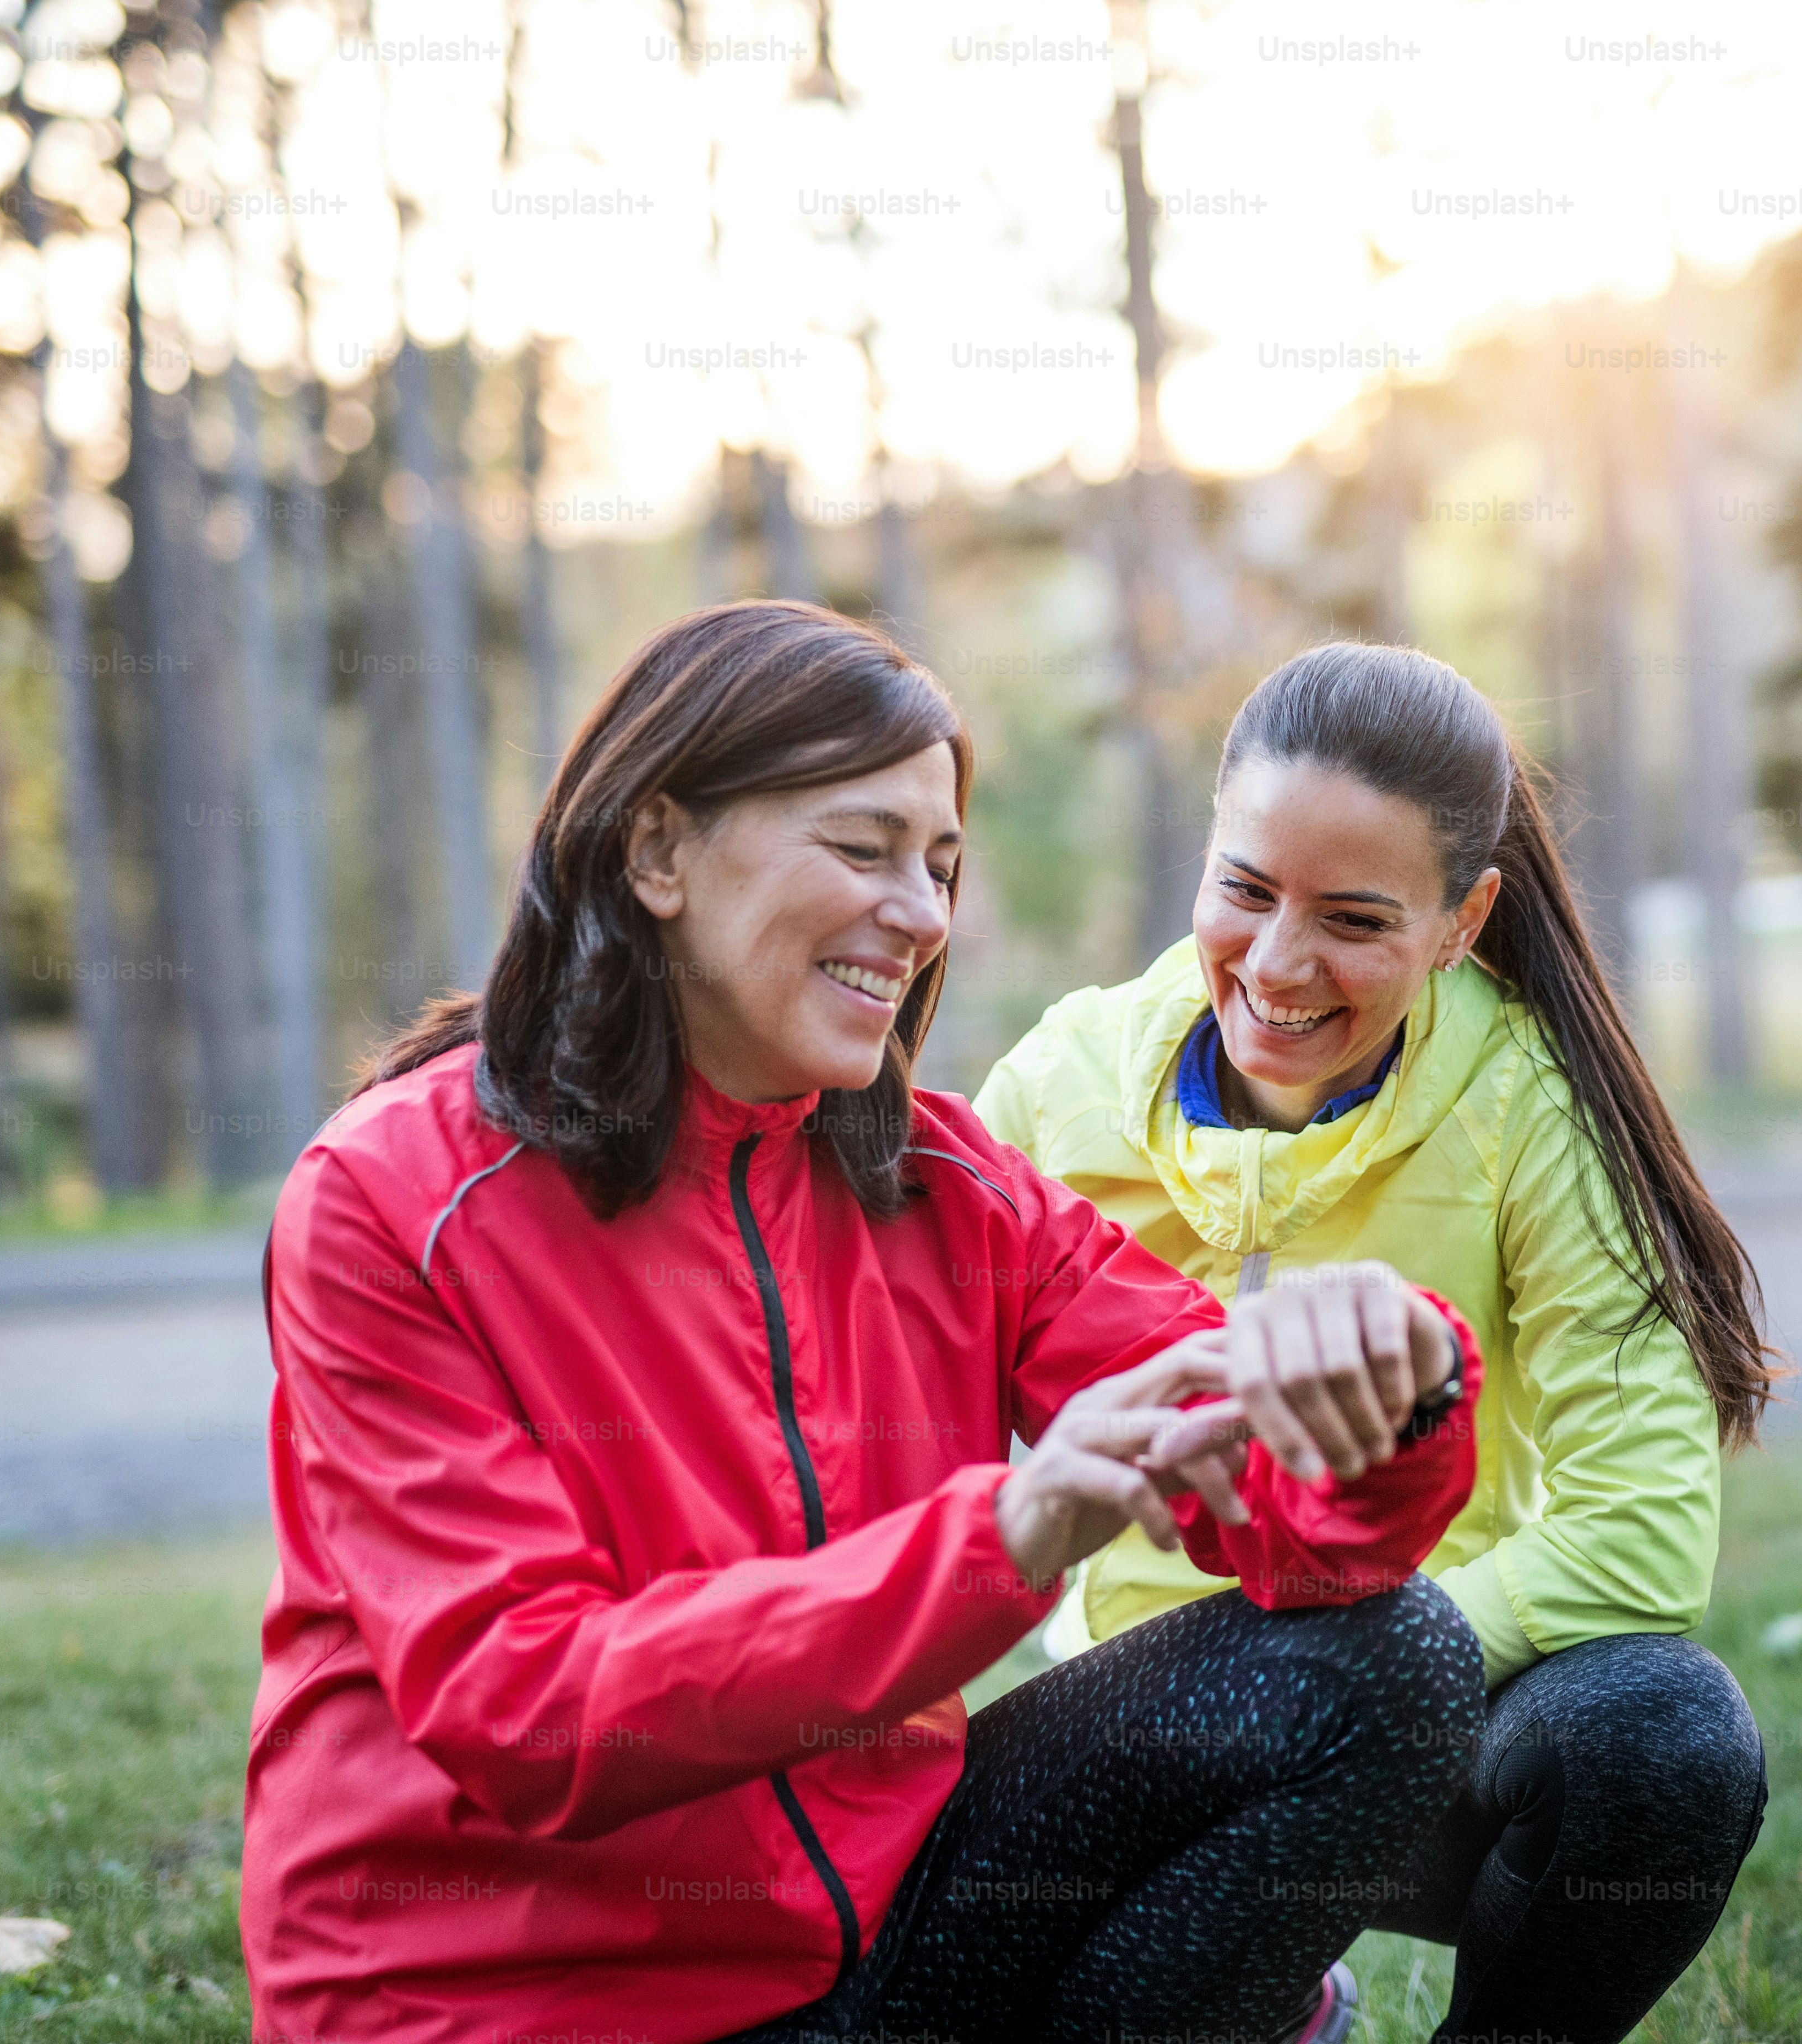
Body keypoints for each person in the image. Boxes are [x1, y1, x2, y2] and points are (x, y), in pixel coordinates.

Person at [242, 603, 1490, 2044]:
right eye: (865, 849)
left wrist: (1396, 1385)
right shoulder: (393, 1200)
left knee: (1389, 1667)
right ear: (657, 850)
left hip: (871, 1947)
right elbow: (524, 1708)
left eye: (944, 866)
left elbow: (1294, 1521)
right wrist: (1006, 1531)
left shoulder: (948, 1187)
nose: (924, 914)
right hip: (512, 2009)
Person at [976, 642, 1784, 2044]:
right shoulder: (1057, 1088)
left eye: (1354, 917)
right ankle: (1285, 2002)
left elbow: (1643, 1528)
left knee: (1663, 1739)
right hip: (1129, 1737)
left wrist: (1350, 1686)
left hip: (1417, 1716)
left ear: (1463, 921)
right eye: (1245, 887)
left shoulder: (1533, 1106)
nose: (1281, 962)